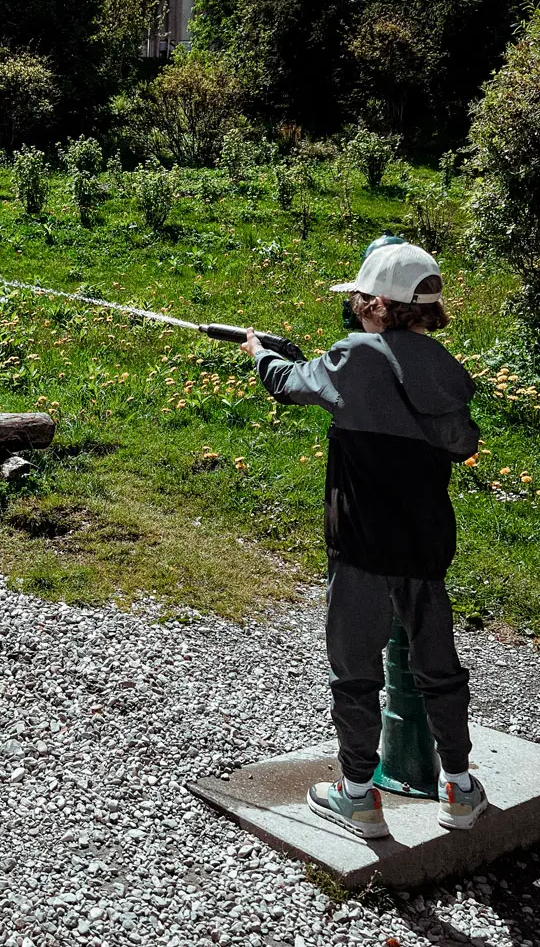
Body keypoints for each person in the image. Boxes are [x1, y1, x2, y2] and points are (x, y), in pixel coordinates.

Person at [239, 242, 487, 839]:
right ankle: (458, 786)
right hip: (426, 548)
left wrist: (261, 353)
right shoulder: (445, 370)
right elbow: (462, 443)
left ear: (376, 303)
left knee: (355, 673)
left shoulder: (354, 355)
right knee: (440, 669)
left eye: (358, 297)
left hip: (361, 548)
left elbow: (289, 384)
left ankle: (357, 796)